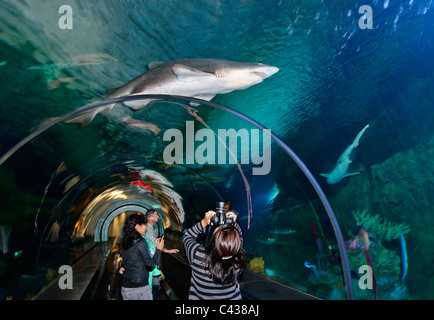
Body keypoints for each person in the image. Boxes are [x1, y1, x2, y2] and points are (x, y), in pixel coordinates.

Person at [183, 210, 244, 300]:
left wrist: (204, 222)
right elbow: (238, 241)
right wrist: (234, 224)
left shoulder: (198, 256)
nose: (219, 227)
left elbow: (187, 237)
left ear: (215, 238)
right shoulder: (236, 260)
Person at [119, 213, 164, 300]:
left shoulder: (124, 240)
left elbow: (131, 258)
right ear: (137, 226)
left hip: (126, 287)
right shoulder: (141, 242)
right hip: (140, 289)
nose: (145, 227)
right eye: (143, 224)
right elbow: (150, 265)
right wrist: (158, 249)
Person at [144, 209, 179, 297]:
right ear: (150, 217)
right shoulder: (147, 229)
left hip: (151, 265)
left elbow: (156, 246)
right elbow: (154, 247)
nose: (158, 217)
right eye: (156, 215)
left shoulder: (150, 229)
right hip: (150, 266)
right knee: (152, 290)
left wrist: (168, 250)